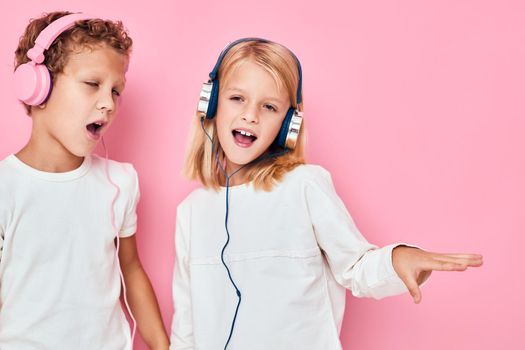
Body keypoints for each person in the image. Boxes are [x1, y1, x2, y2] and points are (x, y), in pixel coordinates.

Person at [170, 38, 483, 349]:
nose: (251, 115)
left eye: (269, 106)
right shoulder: (191, 212)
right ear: (210, 103)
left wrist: (398, 259)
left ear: (288, 124)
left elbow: (356, 267)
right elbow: (187, 322)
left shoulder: (304, 185)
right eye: (237, 98)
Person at [0, 11, 169, 349]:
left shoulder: (119, 182)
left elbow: (131, 271)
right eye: (93, 84)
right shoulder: (7, 187)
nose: (108, 104)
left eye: (116, 91)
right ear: (38, 86)